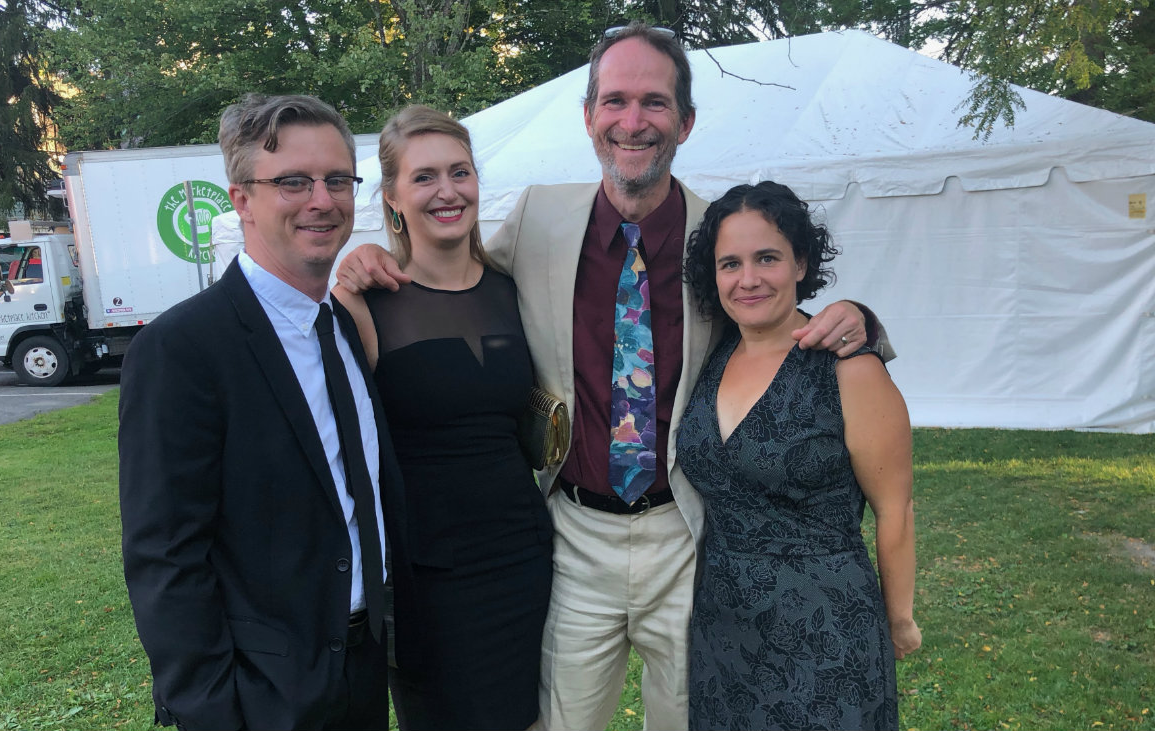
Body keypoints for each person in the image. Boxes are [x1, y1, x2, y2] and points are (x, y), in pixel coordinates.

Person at [336, 22, 891, 730]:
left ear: (685, 122)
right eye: (616, 101)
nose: (634, 121)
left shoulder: (716, 232)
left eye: (655, 103)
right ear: (590, 118)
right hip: (571, 533)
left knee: (694, 718)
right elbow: (455, 272)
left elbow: (775, 309)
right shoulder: (539, 216)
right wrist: (364, 261)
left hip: (684, 533)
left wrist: (865, 322)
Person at [118, 93, 415, 731]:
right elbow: (164, 556)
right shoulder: (181, 350)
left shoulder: (340, 325)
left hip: (361, 671)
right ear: (242, 199)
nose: (321, 199)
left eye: (337, 179)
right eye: (292, 182)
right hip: (261, 696)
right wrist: (213, 708)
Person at [332, 105, 553, 730]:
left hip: (524, 559)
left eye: (460, 172)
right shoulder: (363, 302)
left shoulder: (516, 288)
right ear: (393, 197)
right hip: (426, 575)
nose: (447, 191)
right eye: (424, 177)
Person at [678, 181, 921, 730]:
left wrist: (900, 618)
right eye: (730, 263)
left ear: (801, 263)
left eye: (767, 258)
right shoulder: (711, 358)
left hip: (826, 626)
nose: (748, 279)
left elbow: (895, 507)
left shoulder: (849, 368)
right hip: (723, 628)